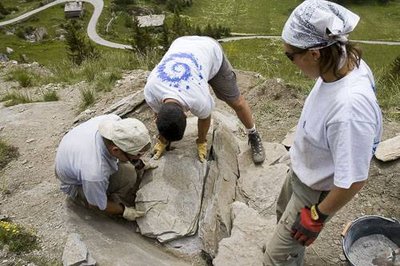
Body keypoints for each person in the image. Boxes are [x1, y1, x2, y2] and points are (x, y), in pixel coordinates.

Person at [264, 1, 383, 265]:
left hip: (314, 189)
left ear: (315, 54)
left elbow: (353, 179)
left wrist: (317, 216)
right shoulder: (342, 60)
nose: (291, 63)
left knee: (274, 259)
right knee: (282, 214)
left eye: (290, 56)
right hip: (303, 170)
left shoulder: (350, 109)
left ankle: (285, 256)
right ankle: (290, 252)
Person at [144, 36, 266, 164]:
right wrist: (163, 138)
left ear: (186, 115)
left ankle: (253, 133)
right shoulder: (151, 91)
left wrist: (201, 141)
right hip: (182, 45)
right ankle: (164, 139)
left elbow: (205, 117)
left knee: (236, 102)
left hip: (209, 51)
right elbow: (159, 113)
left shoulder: (198, 99)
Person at [55, 114, 153, 221]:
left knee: (129, 171)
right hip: (76, 183)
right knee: (128, 176)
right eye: (138, 155)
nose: (140, 157)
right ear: (116, 150)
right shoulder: (95, 171)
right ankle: (88, 198)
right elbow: (95, 204)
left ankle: (105, 193)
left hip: (73, 157)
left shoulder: (113, 123)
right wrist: (124, 211)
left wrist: (139, 164)